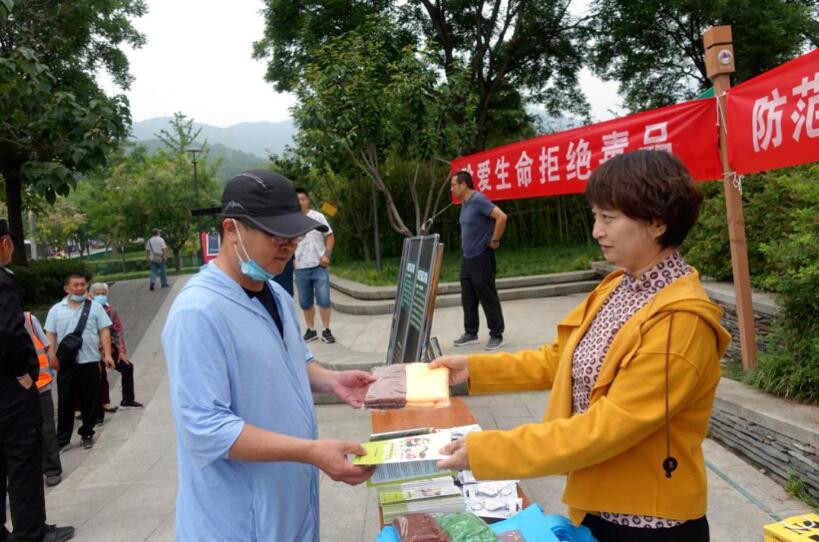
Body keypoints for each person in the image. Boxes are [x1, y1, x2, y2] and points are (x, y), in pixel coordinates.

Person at [432, 151, 730, 542]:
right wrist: (474, 369)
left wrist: (488, 451)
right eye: (595, 216)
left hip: (648, 524)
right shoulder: (618, 286)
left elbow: (606, 428)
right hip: (599, 503)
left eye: (609, 218)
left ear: (658, 222)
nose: (596, 231)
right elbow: (561, 359)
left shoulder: (681, 323)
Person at [162, 169, 375, 541]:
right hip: (238, 521)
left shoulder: (275, 292)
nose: (288, 244)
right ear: (232, 230)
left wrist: (332, 381)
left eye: (294, 234)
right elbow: (205, 428)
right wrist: (311, 451)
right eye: (274, 234)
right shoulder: (198, 313)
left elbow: (293, 359)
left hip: (288, 506)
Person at [0, 218, 75, 542]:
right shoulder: (2, 280)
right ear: (5, 243)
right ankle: (31, 532)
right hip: (10, 390)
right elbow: (8, 332)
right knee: (23, 458)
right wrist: (23, 373)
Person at [45, 273, 115, 450]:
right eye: (75, 285)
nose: (80, 288)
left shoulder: (95, 307)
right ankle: (62, 439)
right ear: (66, 288)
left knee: (90, 400)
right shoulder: (56, 310)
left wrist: (107, 355)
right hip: (65, 363)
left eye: (83, 285)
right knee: (65, 401)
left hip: (90, 360)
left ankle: (87, 433)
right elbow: (50, 334)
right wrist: (51, 355)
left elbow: (104, 331)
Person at [449, 171, 508, 350]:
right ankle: (471, 332)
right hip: (467, 258)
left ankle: (496, 335)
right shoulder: (465, 203)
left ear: (463, 185)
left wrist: (495, 240)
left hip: (482, 255)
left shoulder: (478, 200)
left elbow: (502, 217)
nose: (451, 189)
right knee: (468, 297)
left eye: (453, 185)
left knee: (487, 295)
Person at [22, 312, 63, 488]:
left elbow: (46, 346)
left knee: (46, 428)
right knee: (19, 434)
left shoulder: (29, 320)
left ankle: (52, 469)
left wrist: (52, 362)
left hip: (40, 385)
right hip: (13, 392)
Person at [89, 283, 143, 411]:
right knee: (96, 376)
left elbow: (118, 331)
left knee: (127, 367)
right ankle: (95, 406)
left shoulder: (111, 311)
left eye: (103, 293)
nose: (101, 296)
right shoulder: (86, 310)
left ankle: (127, 400)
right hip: (91, 350)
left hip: (109, 348)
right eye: (97, 294)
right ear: (91, 295)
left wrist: (121, 351)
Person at [293, 188, 336, 343]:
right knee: (305, 302)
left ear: (308, 200)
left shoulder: (318, 217)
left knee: (324, 300)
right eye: (297, 199)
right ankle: (311, 330)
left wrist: (327, 255)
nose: (300, 202)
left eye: (302, 199)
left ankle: (326, 330)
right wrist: (293, 261)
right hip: (300, 267)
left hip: (319, 266)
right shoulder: (292, 220)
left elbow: (330, 236)